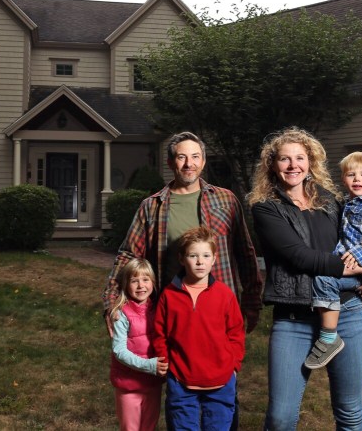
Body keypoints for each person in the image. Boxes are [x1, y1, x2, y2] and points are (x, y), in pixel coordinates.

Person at [247, 127, 362, 431]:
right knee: (280, 418)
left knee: (350, 413)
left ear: (310, 162)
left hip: (348, 313)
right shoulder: (266, 208)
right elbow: (302, 257)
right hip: (294, 316)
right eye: (284, 159)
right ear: (272, 164)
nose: (292, 165)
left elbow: (361, 237)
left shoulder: (331, 201)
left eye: (300, 157)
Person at [101, 131, 263, 333]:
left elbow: (245, 253)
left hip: (220, 311)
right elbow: (128, 254)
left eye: (195, 156)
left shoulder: (226, 200)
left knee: (222, 362)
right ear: (170, 163)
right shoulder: (152, 206)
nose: (189, 164)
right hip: (171, 311)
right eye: (181, 157)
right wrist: (111, 300)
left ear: (203, 162)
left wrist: (252, 300)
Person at [305, 151, 362, 370]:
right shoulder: (347, 204)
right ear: (343, 179)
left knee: (324, 281)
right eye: (351, 174)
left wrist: (360, 255)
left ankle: (329, 337)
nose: (357, 179)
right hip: (351, 266)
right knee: (325, 281)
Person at [153, 226, 245, 430]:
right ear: (181, 259)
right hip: (181, 379)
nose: (200, 261)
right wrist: (166, 362)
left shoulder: (225, 294)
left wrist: (234, 365)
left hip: (221, 380)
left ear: (214, 259)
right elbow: (159, 333)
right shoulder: (169, 295)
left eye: (205, 255)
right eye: (193, 255)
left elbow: (236, 333)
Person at [109, 258, 169, 431]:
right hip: (129, 385)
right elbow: (119, 351)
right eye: (134, 281)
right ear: (126, 285)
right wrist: (149, 365)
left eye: (145, 279)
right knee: (130, 428)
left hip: (152, 384)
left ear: (153, 283)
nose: (141, 285)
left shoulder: (159, 309)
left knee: (149, 426)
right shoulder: (122, 313)